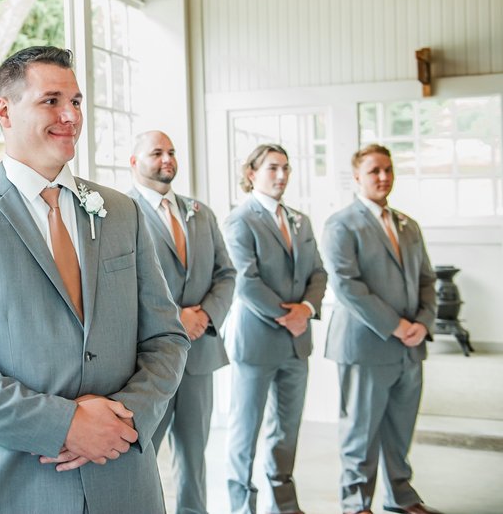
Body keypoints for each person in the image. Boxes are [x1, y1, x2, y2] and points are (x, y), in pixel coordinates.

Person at [0, 46, 190, 514]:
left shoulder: (122, 212)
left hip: (123, 481)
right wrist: (65, 425)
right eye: (51, 100)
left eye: (76, 101)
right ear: (4, 110)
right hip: (13, 486)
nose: (70, 116)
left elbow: (167, 337)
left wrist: (126, 419)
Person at [323, 144, 440, 514]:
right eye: (374, 171)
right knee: (361, 429)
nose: (383, 177)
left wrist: (422, 323)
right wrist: (396, 325)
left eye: (388, 169)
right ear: (357, 176)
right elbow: (346, 284)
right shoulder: (341, 223)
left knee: (400, 428)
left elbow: (426, 279)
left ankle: (401, 496)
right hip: (366, 346)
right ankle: (356, 503)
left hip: (410, 347)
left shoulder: (408, 225)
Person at [127, 129, 235, 514]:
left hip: (200, 355)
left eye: (172, 152)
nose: (167, 159)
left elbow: (226, 273)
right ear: (134, 161)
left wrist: (204, 315)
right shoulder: (122, 212)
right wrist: (178, 319)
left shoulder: (200, 212)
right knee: (141, 456)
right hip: (148, 361)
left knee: (195, 454)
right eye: (157, 152)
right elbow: (121, 287)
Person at [222, 143, 327, 514]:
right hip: (257, 342)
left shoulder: (301, 220)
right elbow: (245, 281)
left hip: (297, 344)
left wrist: (308, 309)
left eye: (286, 168)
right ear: (252, 173)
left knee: (287, 430)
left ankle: (284, 506)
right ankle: (241, 507)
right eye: (272, 168)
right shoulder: (240, 219)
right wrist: (289, 315)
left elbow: (319, 272)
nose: (281, 176)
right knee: (245, 430)